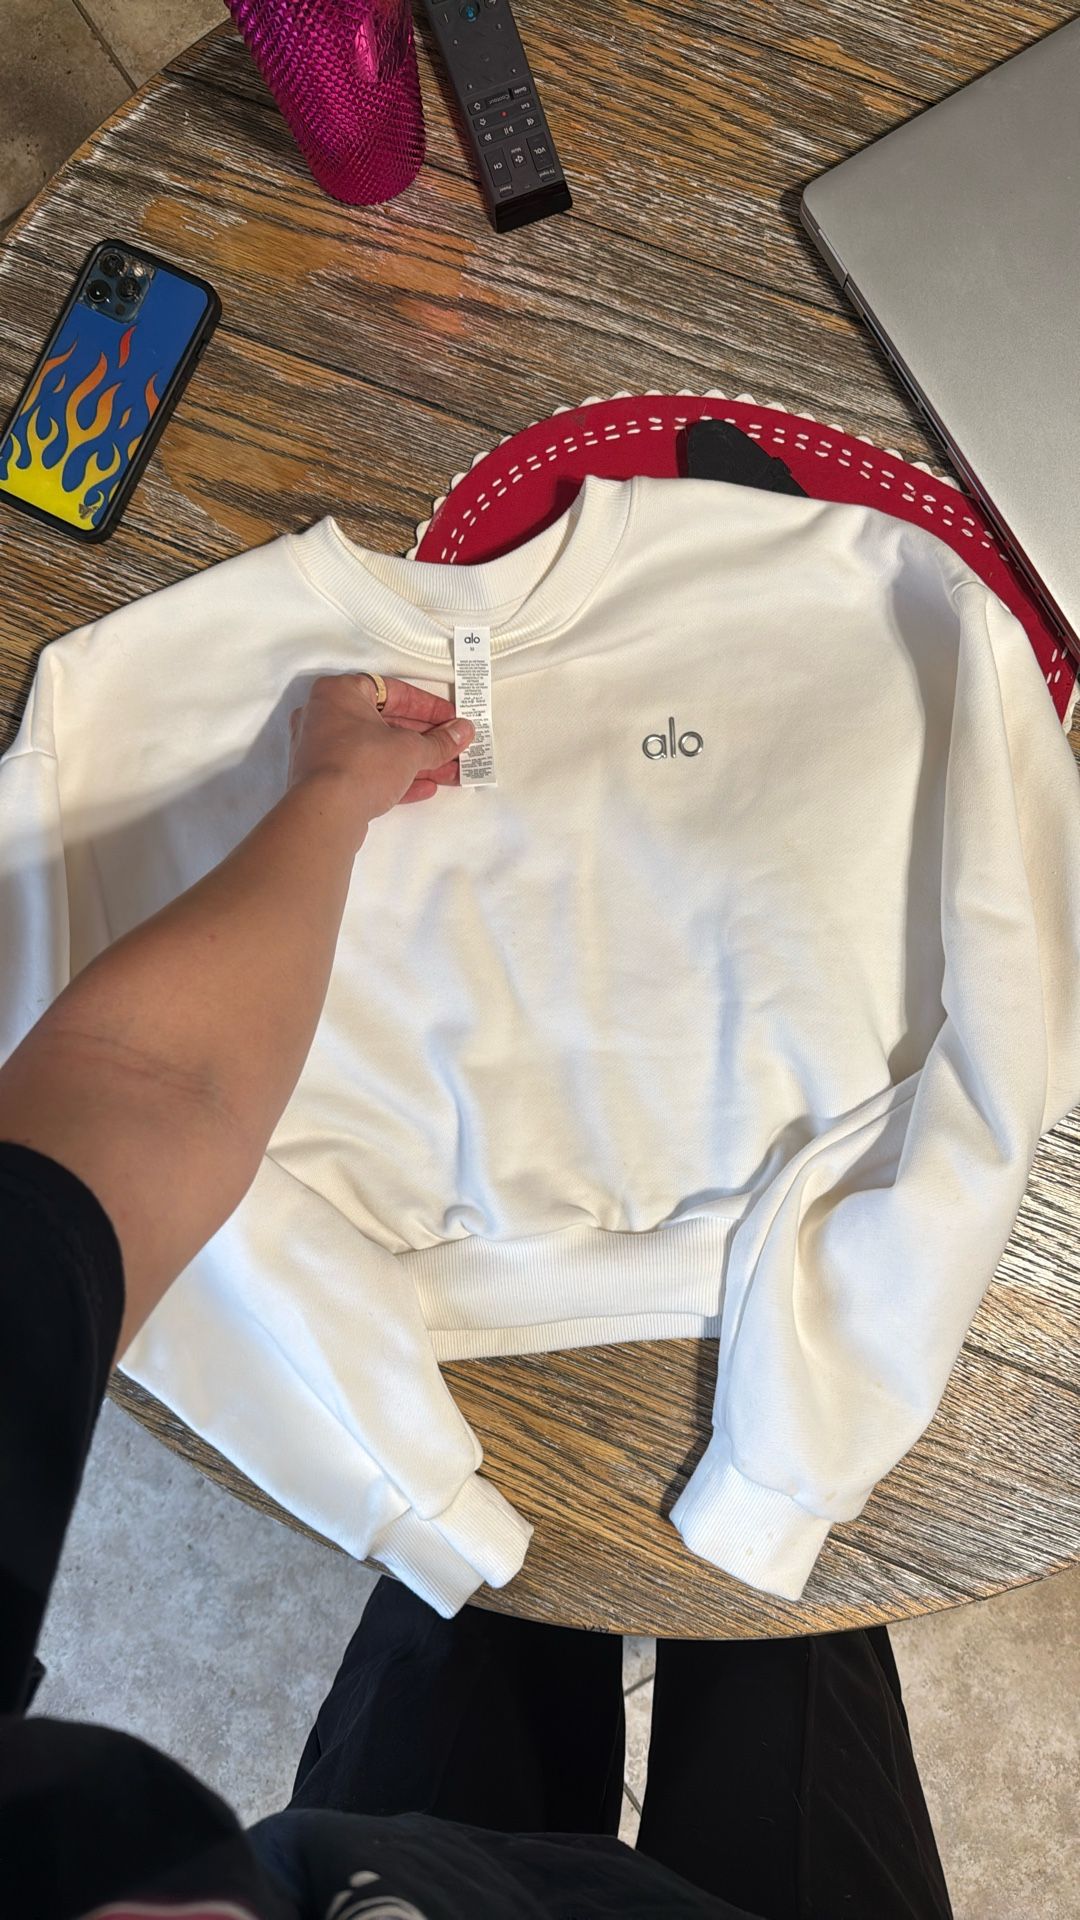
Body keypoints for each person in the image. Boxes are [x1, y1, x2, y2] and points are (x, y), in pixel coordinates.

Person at [0, 670, 953, 1919]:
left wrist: (332, 795)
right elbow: (138, 1093)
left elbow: (138, 1096)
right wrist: (777, 1489)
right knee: (780, 1643)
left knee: (497, 1614)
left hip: (386, 1859)